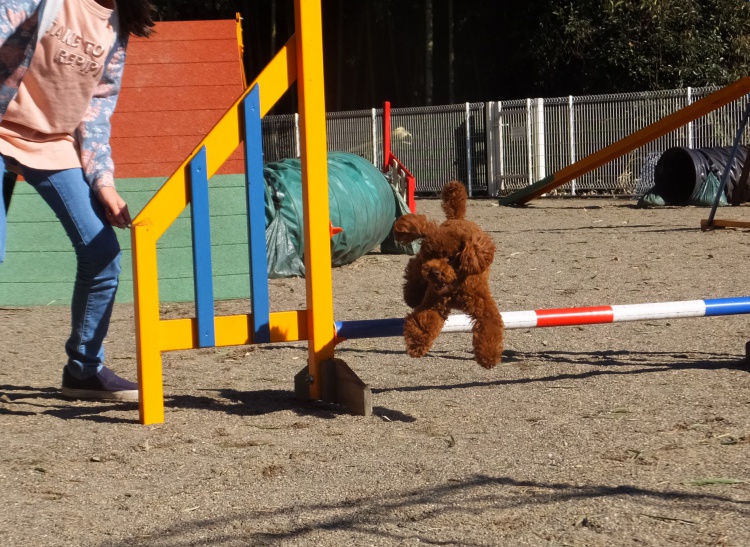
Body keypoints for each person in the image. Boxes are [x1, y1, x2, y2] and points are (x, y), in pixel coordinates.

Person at [0, 0, 156, 401]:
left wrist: (103, 182)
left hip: (53, 142)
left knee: (102, 254)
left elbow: (97, 109)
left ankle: (84, 371)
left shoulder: (117, 24)